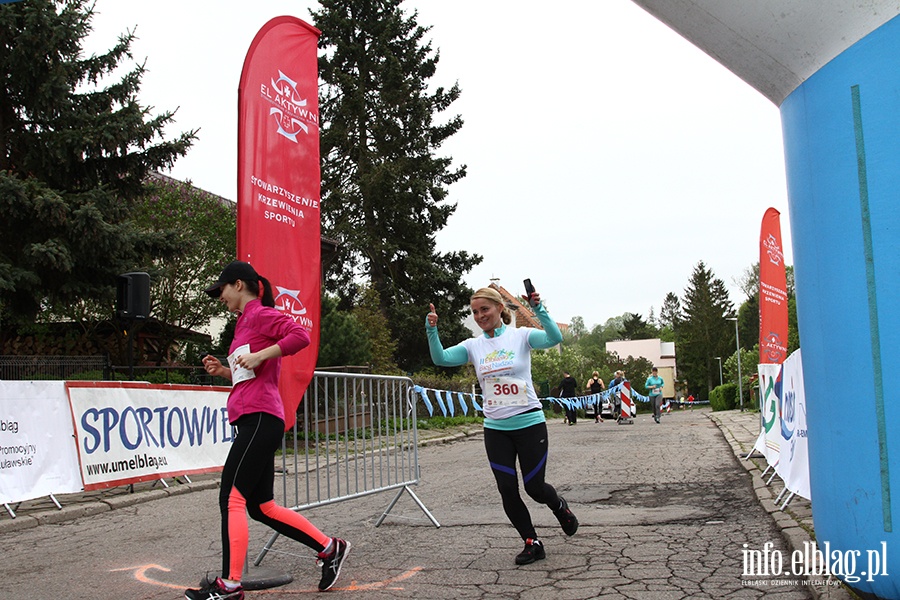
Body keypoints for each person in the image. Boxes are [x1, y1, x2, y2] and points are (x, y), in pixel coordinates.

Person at [186, 261, 350, 600]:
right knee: (262, 507)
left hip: (261, 417)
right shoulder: (244, 323)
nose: (220, 298)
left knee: (231, 496)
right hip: (254, 417)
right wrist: (223, 371)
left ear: (239, 285)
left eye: (221, 291)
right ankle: (330, 548)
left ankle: (230, 586)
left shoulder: (260, 314)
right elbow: (250, 374)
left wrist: (262, 354)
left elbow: (300, 336)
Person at [425, 287, 578, 565]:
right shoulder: (473, 346)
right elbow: (440, 359)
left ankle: (559, 507)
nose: (480, 315)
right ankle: (532, 541)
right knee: (507, 488)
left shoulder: (520, 336)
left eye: (485, 309)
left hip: (529, 423)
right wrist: (431, 329)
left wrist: (539, 309)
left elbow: (555, 337)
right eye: (475, 312)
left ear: (499, 309)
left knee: (534, 488)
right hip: (496, 428)